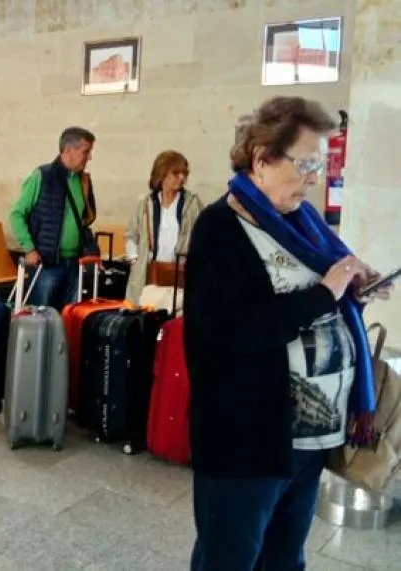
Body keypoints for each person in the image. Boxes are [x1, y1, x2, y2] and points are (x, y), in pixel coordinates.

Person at [184, 96, 392, 571]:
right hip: (248, 438)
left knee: (284, 561)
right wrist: (324, 294)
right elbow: (229, 332)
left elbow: (317, 302)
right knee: (230, 559)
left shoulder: (302, 222)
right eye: (306, 163)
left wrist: (352, 295)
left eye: (320, 164)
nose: (315, 177)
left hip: (310, 438)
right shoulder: (221, 227)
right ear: (261, 158)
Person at [9, 127, 97, 309]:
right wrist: (29, 249)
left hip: (75, 263)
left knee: (69, 318)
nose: (89, 157)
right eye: (86, 151)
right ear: (68, 150)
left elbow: (84, 219)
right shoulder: (42, 176)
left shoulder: (83, 180)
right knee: (41, 317)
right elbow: (17, 214)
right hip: (47, 263)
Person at [123, 150, 203, 304]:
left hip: (180, 275)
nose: (182, 178)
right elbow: (131, 235)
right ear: (162, 175)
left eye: (184, 174)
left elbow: (204, 235)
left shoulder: (192, 203)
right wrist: (135, 261)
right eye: (176, 173)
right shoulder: (145, 203)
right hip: (149, 276)